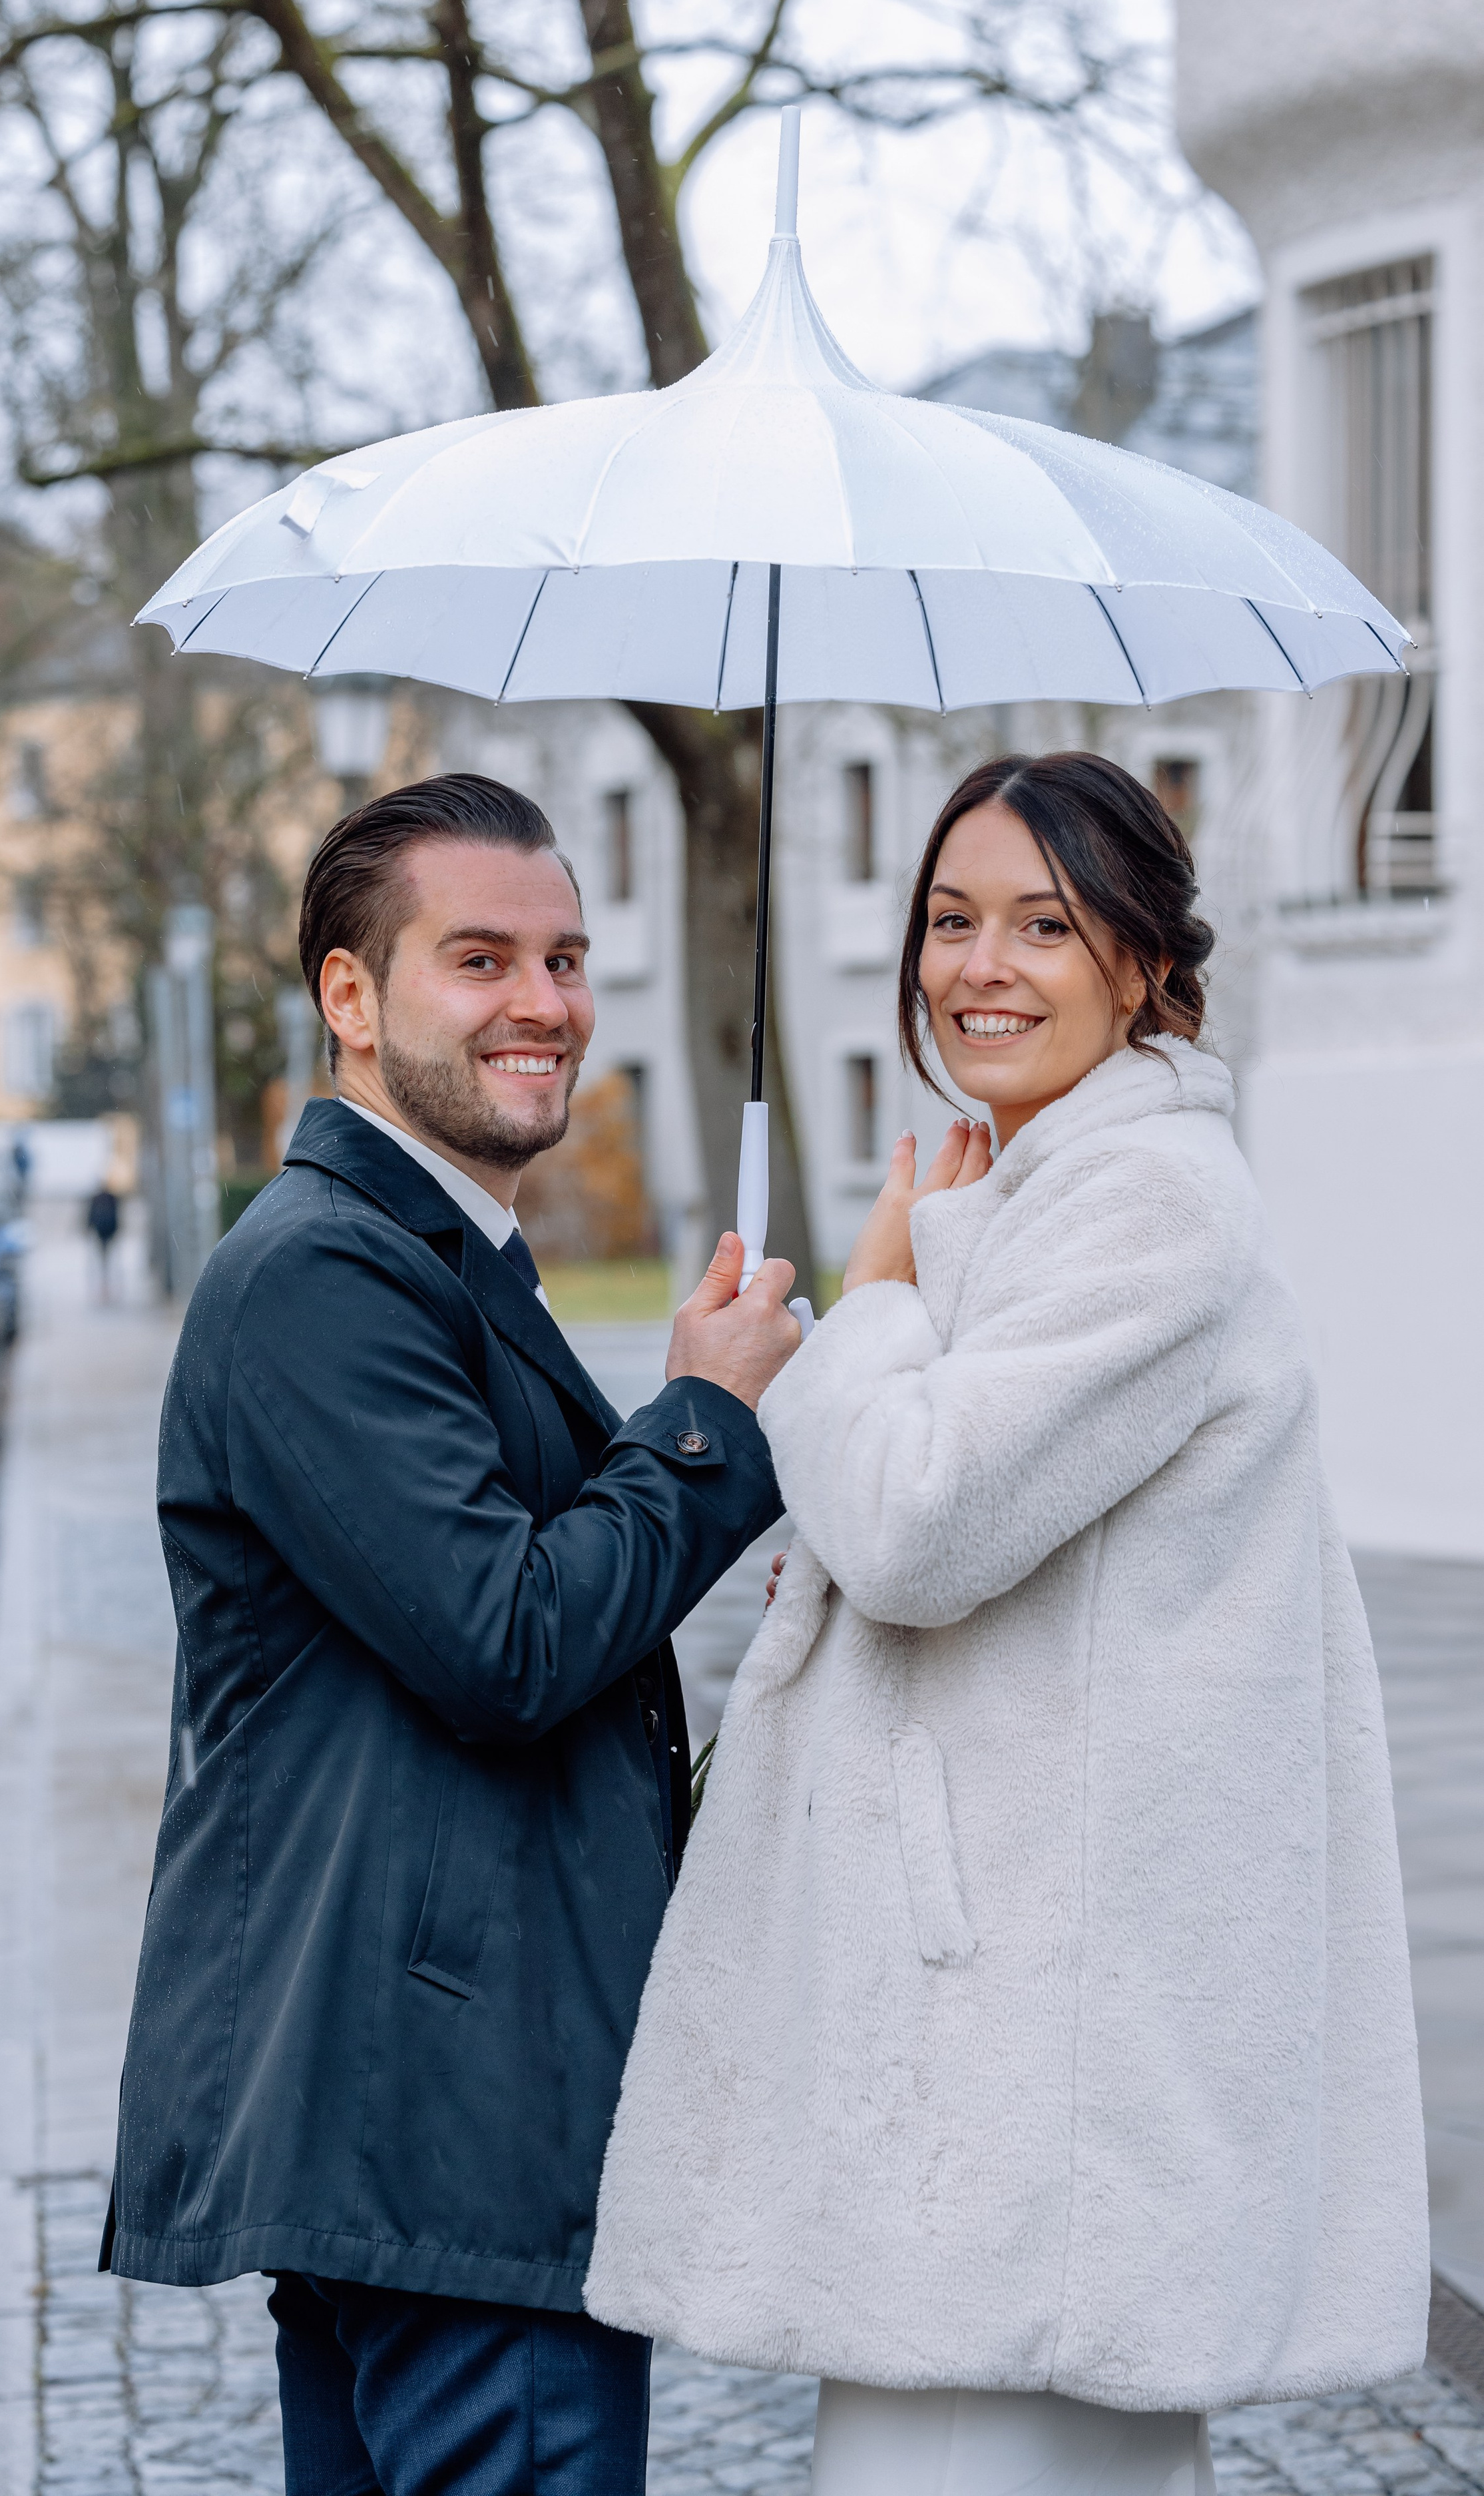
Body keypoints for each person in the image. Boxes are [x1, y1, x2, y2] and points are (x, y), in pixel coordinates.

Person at [587, 753, 1429, 2493]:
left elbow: (914, 1523)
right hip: (1009, 2070)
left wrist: (879, 1294)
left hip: (1032, 2090)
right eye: (952, 921)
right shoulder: (1050, 1193)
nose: (981, 965)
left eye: (1045, 925)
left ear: (1144, 963)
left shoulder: (1148, 1204)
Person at [102, 773, 799, 2496]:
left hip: (434, 2111)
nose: (545, 1004)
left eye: (566, 959)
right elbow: (510, 1639)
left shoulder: (441, 1255)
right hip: (453, 2112)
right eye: (480, 958)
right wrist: (704, 1425)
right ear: (351, 997)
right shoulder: (322, 1276)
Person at [85, 1182, 120, 1299]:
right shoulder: (112, 1198)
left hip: (103, 1231)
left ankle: (105, 1284)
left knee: (104, 1258)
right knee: (106, 1257)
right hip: (107, 1231)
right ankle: (105, 1284)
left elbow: (91, 1215)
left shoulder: (100, 1199)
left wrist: (88, 1228)